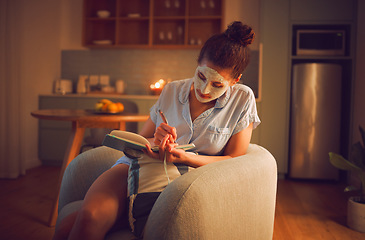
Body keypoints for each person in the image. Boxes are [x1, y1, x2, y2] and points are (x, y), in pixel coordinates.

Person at [53, 21, 260, 240]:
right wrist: (155, 141)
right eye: (201, 76)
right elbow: (142, 138)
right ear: (197, 64)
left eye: (217, 84)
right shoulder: (172, 90)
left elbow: (235, 158)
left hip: (187, 184)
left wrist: (186, 158)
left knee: (74, 225)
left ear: (235, 81)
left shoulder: (243, 99)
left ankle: (124, 215)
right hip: (139, 167)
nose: (205, 89)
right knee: (84, 220)